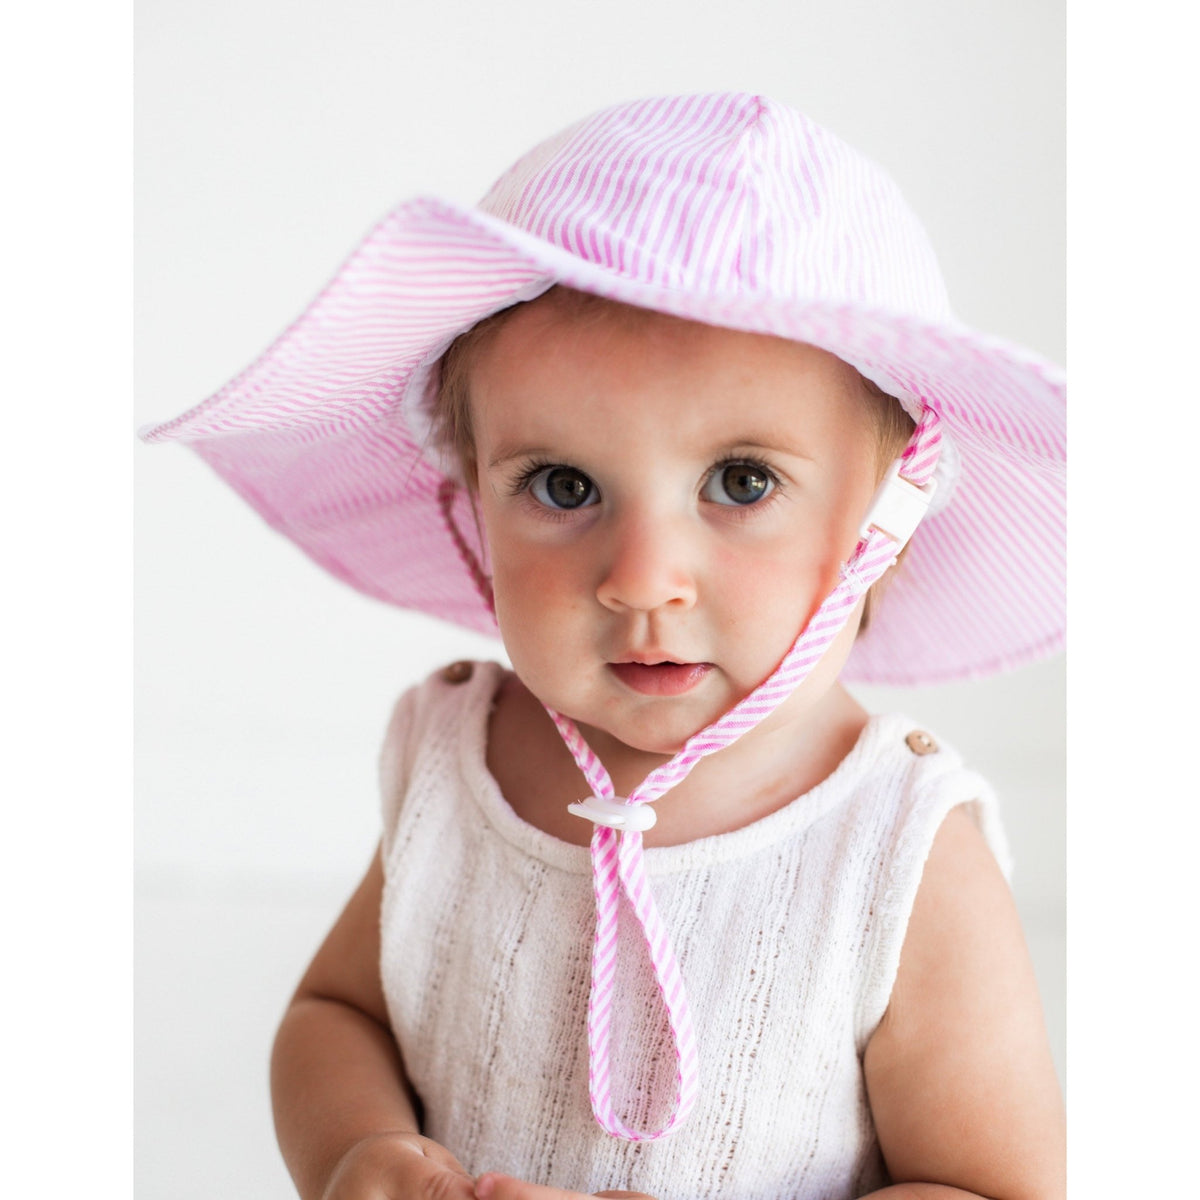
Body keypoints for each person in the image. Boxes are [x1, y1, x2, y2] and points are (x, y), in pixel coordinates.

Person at [143, 93, 1066, 1200]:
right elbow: (338, 1015)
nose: (639, 578)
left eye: (741, 482)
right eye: (563, 486)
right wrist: (360, 1153)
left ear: (890, 518)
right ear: (470, 497)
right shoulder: (458, 760)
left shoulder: (897, 853)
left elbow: (992, 1185)